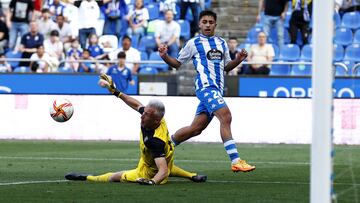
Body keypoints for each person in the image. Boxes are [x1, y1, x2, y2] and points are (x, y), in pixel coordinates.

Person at [158, 10, 256, 172]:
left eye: (211, 22)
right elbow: (177, 64)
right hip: (205, 87)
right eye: (205, 22)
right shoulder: (193, 43)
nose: (208, 25)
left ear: (215, 24)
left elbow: (226, 67)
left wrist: (238, 60)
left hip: (217, 89)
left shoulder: (221, 43)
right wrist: (164, 56)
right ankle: (236, 161)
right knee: (226, 116)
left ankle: (163, 147)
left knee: (195, 129)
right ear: (199, 24)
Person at [65, 73, 207, 185]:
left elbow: (163, 171)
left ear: (156, 120)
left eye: (146, 115)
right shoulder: (156, 118)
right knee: (169, 165)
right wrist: (115, 92)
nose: (142, 116)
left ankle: (89, 178)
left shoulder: (155, 141)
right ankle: (192, 175)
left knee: (115, 177)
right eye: (143, 112)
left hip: (148, 172)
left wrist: (152, 181)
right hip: (164, 157)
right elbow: (135, 104)